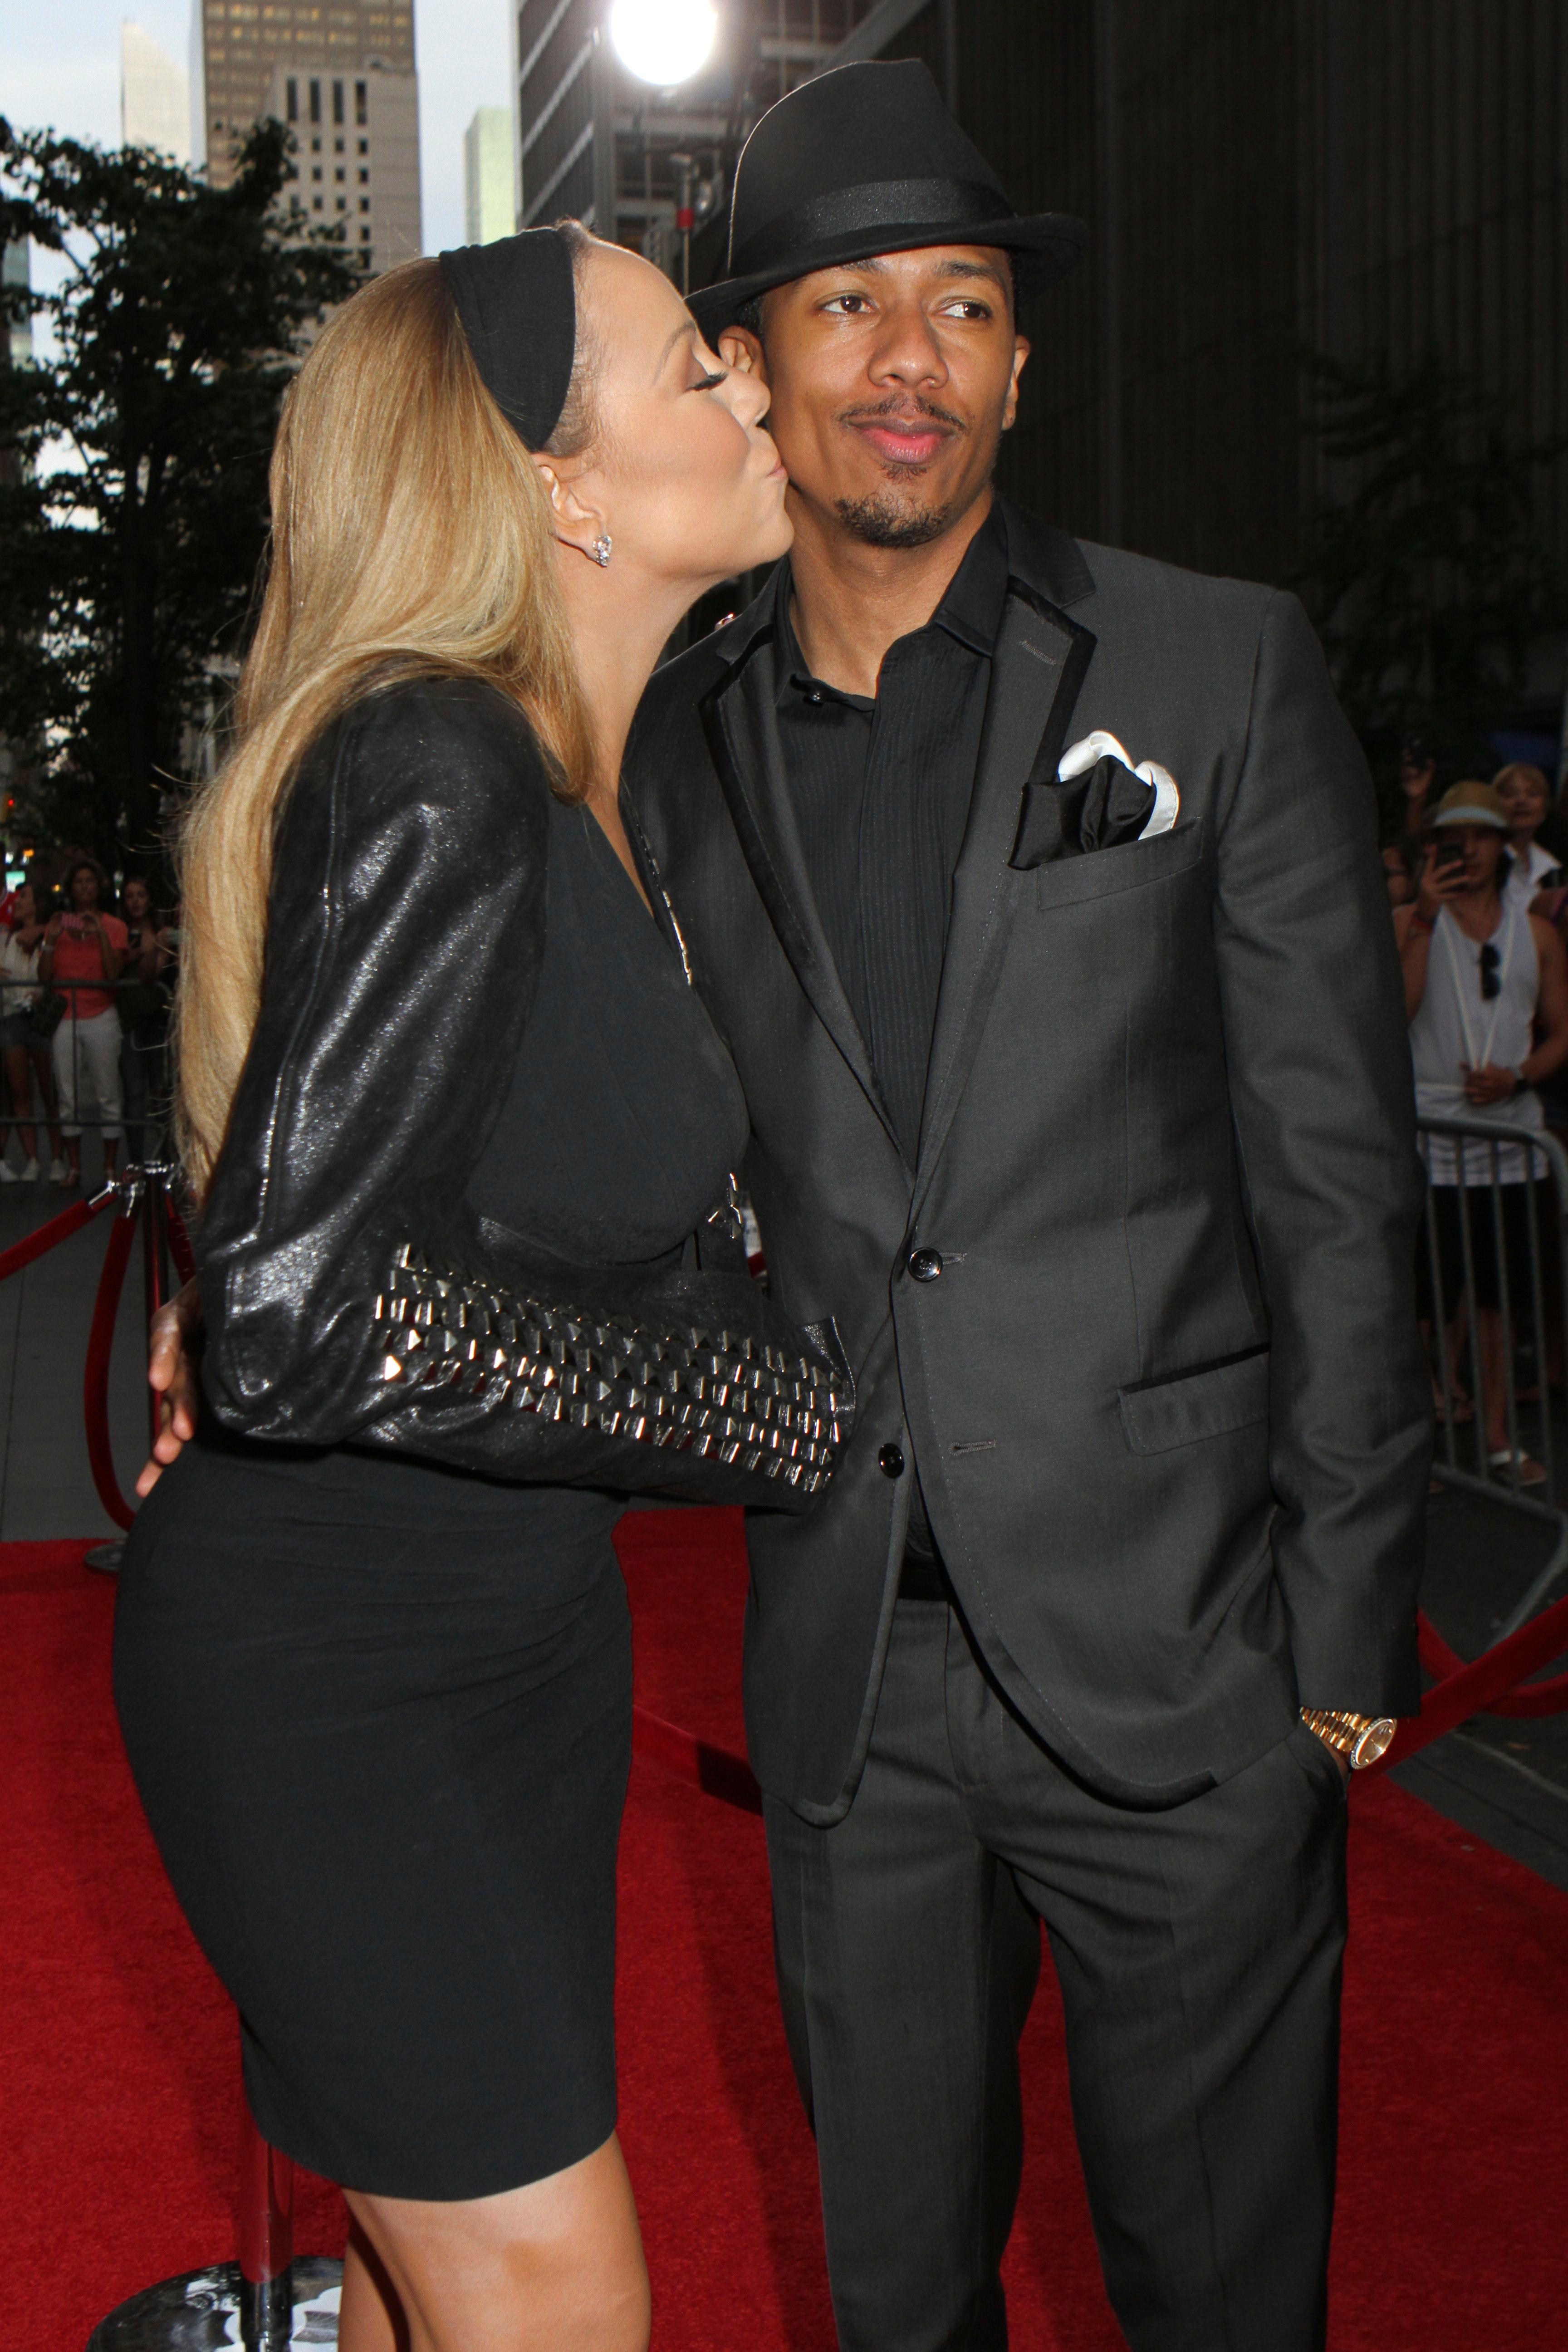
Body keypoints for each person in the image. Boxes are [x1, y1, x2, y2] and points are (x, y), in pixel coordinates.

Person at [143, 66, 1429, 2352]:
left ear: (1024, 359)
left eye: (961, 302)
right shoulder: (642, 730)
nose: (886, 359)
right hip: (843, 1674)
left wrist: (1342, 1620)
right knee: (881, 2290)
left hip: (1179, 1653)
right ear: (726, 374)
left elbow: (1330, 1163)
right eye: (823, 309)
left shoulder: (1203, 665)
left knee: (1223, 2284)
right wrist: (271, 1312)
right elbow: (404, 1180)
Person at [115, 225, 818, 2352]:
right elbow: (297, 1312)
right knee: (552, 2307)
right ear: (556, 484)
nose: (754, 392)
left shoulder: (584, 787)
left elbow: (452, 1233)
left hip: (512, 1650)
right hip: (347, 1682)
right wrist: (751, 1419)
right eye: (696, 372)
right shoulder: (436, 760)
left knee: (441, 2292)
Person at [1396, 782, 1568, 1481]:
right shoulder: (1411, 918)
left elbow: (1562, 1033)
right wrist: (1426, 919)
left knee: (1497, 1303)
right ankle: (1408, 1435)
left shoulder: (1538, 932)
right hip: (1431, 1144)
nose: (1465, 847)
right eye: (1451, 834)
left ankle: (1498, 1437)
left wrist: (1520, 1078)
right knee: (1418, 1303)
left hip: (1508, 1146)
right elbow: (1394, 1013)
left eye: (1479, 835)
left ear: (1502, 847)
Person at [38, 855, 127, 1185]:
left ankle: (109, 1167)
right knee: (67, 1095)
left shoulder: (115, 926)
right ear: (72, 889)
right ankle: (74, 1167)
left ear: (98, 887)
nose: (85, 887)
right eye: (79, 882)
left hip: (101, 1013)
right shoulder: (57, 924)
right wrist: (51, 939)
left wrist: (99, 933)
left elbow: (113, 974)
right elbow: (45, 977)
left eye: (90, 881)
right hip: (65, 1015)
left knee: (108, 1094)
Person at [0, 881, 68, 1182]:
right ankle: (32, 1160)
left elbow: (76, 922)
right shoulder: (5, 938)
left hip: (42, 1019)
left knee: (49, 1091)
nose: (17, 901)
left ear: (38, 903)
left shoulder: (53, 934)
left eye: (24, 896)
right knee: (20, 1092)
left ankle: (57, 1158)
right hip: (12, 1016)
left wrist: (43, 931)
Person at [116, 875, 166, 1162]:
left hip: (156, 1019)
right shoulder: (117, 933)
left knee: (160, 1089)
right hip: (129, 1021)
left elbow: (153, 975)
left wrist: (154, 949)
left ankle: (164, 1157)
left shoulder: (161, 932)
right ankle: (136, 1160)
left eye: (141, 895)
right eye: (130, 896)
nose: (135, 901)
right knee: (134, 1094)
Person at [1493, 758, 1564, 911]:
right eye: (1510, 794)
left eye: (1532, 794)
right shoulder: (1487, 862)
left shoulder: (1554, 870)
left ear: (1545, 808)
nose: (1521, 801)